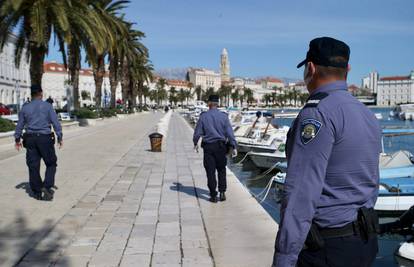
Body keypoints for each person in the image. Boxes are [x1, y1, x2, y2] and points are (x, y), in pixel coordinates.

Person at [272, 37, 381, 267]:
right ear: (347, 69)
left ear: (310, 68)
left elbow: (301, 192)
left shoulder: (317, 114)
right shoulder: (365, 113)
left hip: (328, 249)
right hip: (365, 243)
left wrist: (284, 258)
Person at [14, 85, 63, 201]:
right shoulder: (47, 106)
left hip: (30, 139)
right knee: (51, 163)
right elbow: (56, 123)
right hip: (45, 138)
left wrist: (17, 139)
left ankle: (37, 192)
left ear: (31, 95)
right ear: (41, 93)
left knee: (33, 166)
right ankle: (46, 186)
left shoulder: (25, 108)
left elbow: (20, 125)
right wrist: (60, 137)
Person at [193, 95, 237, 203]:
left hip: (208, 147)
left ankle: (213, 195)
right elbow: (230, 133)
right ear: (217, 103)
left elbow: (197, 132)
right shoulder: (224, 116)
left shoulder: (203, 116)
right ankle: (222, 193)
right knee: (221, 170)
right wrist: (234, 146)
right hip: (221, 147)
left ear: (209, 103)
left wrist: (195, 143)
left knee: (210, 171)